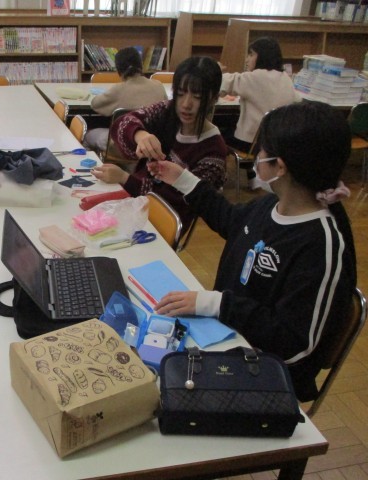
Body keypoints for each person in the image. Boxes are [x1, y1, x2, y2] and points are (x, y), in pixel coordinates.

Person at [150, 101, 357, 402]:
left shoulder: (321, 246)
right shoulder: (272, 205)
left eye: (261, 150)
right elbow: (231, 220)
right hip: (226, 336)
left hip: (267, 380)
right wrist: (181, 178)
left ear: (279, 167)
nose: (256, 156)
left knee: (161, 392)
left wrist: (217, 304)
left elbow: (293, 343)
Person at [92, 56, 227, 236]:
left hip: (158, 226)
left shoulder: (213, 151)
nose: (186, 104)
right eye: (180, 93)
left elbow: (176, 200)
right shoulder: (166, 111)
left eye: (197, 97)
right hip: (134, 205)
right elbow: (122, 123)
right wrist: (140, 135)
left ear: (214, 98)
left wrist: (125, 178)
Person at [219, 37, 300, 189]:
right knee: (241, 122)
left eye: (251, 54)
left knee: (217, 130)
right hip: (276, 142)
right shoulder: (286, 78)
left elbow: (223, 82)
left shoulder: (254, 77)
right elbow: (297, 99)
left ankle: (219, 179)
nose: (247, 59)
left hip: (250, 144)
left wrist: (214, 69)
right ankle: (252, 178)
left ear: (262, 56)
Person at [83, 46, 167, 154]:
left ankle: (98, 163)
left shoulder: (119, 89)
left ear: (118, 70)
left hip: (123, 144)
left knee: (86, 136)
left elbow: (95, 105)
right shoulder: (158, 86)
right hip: (153, 144)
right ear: (141, 65)